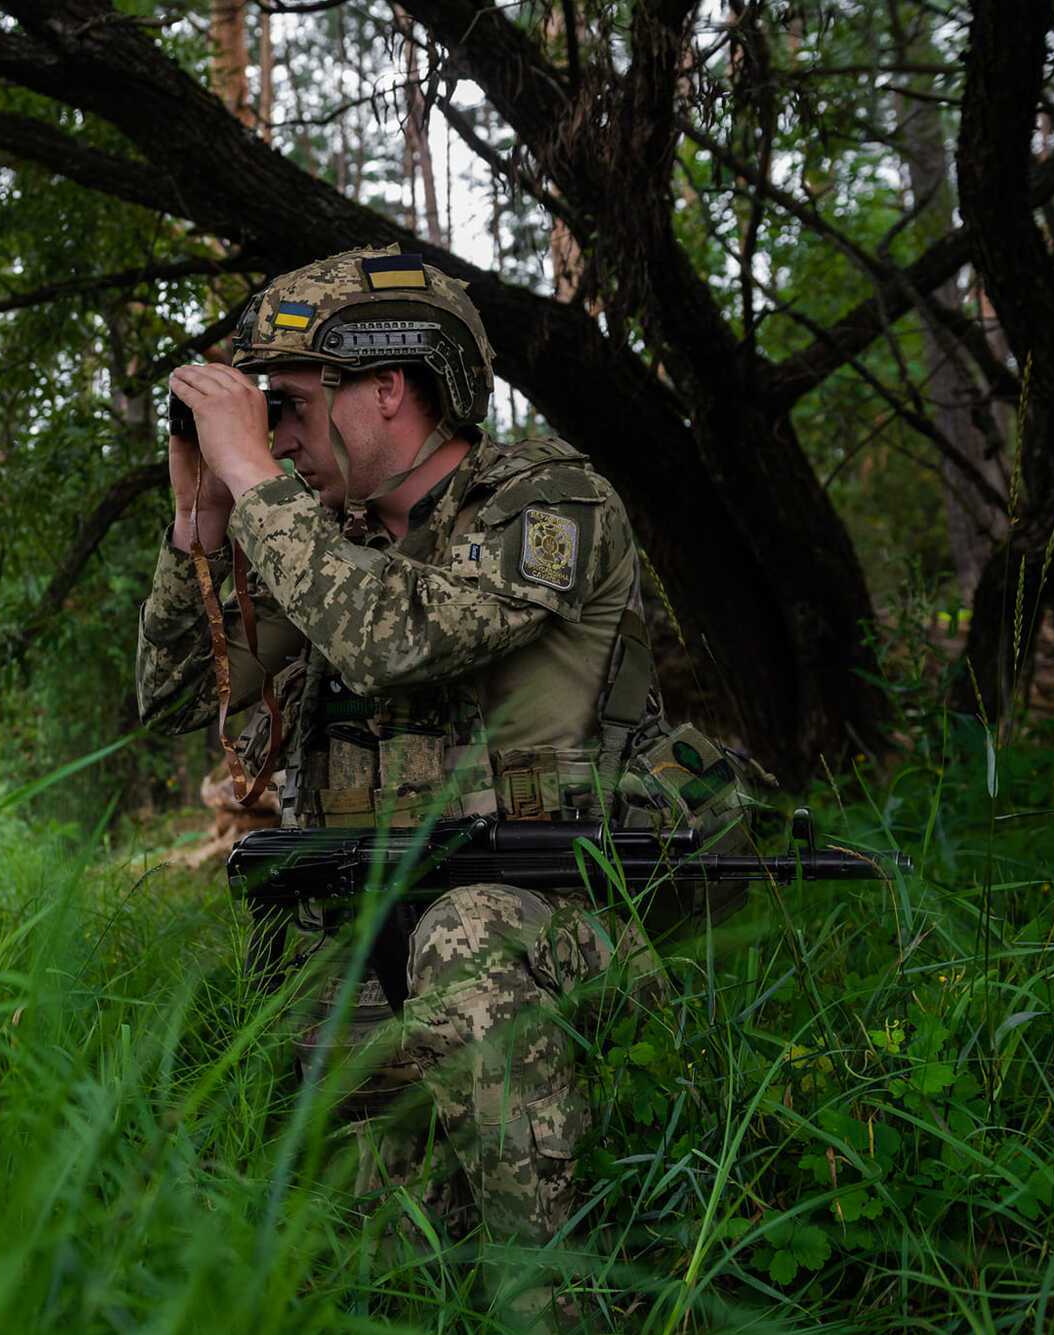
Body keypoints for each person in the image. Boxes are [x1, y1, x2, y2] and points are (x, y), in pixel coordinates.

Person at [134, 246, 660, 1313]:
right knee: (345, 1262)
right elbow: (183, 696)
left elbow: (394, 638)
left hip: (557, 930)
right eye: (260, 417)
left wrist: (256, 484)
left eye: (284, 404)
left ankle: (546, 1302)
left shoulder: (550, 503)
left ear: (389, 386)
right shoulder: (314, 537)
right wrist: (198, 531)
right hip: (356, 941)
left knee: (465, 936)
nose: (270, 436)